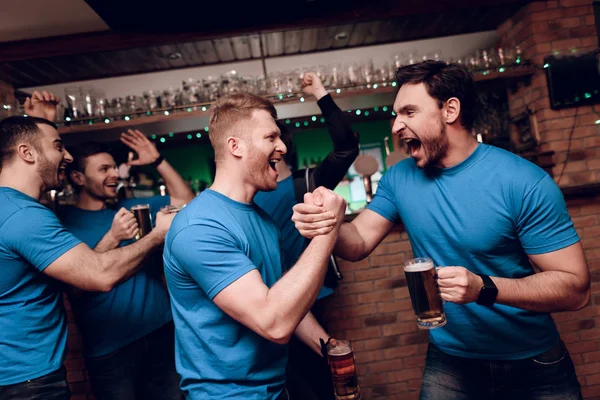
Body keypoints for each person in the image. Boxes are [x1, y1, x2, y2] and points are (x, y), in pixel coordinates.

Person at [292, 61, 590, 400]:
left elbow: (575, 289)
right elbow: (357, 243)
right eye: (396, 114)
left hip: (535, 363)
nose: (395, 126)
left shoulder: (523, 182)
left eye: (408, 112)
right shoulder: (400, 178)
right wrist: (327, 222)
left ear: (450, 110)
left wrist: (483, 288)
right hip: (452, 361)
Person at [163, 92, 346, 400]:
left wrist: (328, 347)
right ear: (236, 146)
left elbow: (284, 296)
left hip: (276, 387)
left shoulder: (262, 219)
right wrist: (328, 231)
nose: (283, 147)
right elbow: (273, 322)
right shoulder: (199, 228)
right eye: (271, 137)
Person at [0, 96, 174, 400]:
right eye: (57, 146)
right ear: (27, 153)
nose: (66, 156)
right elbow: (99, 275)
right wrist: (157, 235)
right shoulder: (24, 215)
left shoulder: (11, 207)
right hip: (27, 380)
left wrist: (36, 122)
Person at [56, 129, 194, 400]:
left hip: (161, 331)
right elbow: (77, 290)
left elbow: (185, 200)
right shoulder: (63, 223)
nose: (115, 174)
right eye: (104, 169)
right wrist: (113, 237)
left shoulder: (133, 207)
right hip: (111, 349)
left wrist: (157, 160)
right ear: (77, 177)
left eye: (114, 167)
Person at [254, 72, 358, 399]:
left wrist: (320, 93)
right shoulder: (246, 195)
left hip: (311, 296)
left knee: (319, 376)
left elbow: (346, 147)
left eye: (273, 139)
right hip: (261, 299)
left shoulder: (308, 182)